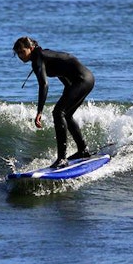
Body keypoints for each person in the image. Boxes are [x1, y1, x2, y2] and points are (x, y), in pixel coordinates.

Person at [13, 36, 94, 168]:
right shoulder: (43, 55)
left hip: (82, 80)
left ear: (31, 48)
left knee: (58, 112)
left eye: (22, 52)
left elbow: (44, 85)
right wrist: (68, 91)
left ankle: (62, 159)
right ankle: (83, 150)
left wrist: (39, 111)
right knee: (66, 115)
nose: (20, 56)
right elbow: (62, 71)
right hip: (84, 80)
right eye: (18, 54)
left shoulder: (38, 58)